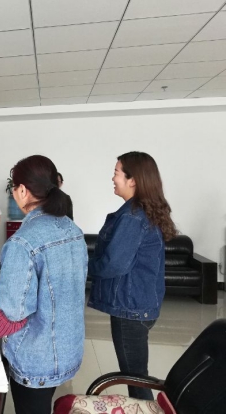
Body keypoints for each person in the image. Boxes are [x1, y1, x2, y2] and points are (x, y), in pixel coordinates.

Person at [0, 155, 87, 414]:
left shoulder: (22, 242)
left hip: (36, 357)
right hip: (67, 347)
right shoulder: (72, 229)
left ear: (22, 191)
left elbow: (12, 311)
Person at [88, 151, 177, 400]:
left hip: (130, 309)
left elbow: (113, 264)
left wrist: (81, 266)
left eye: (116, 173)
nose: (113, 178)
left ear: (133, 180)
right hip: (140, 305)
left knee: (135, 378)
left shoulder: (132, 216)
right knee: (136, 375)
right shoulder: (141, 211)